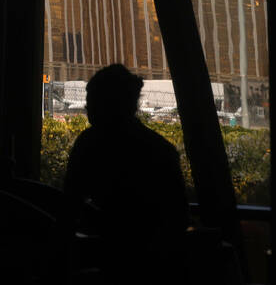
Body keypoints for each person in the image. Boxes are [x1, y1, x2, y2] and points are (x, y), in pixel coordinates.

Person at [65, 64, 191, 284]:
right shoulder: (159, 150)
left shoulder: (89, 145)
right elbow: (177, 216)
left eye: (92, 100)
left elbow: (69, 203)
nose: (87, 107)